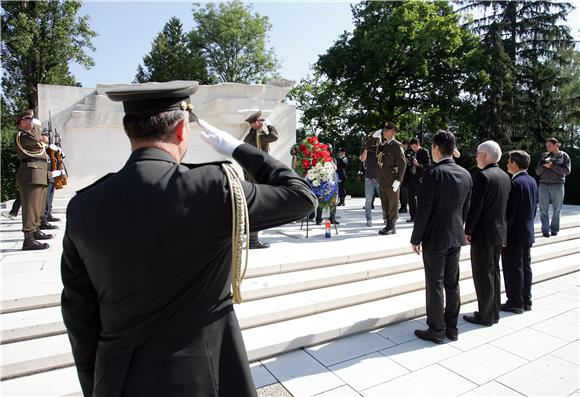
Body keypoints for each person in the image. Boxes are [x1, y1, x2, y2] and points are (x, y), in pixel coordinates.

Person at [60, 81, 316, 396]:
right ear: (182, 130)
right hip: (206, 374)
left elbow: (79, 316)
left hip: (120, 379)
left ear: (131, 132)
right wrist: (237, 148)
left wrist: (99, 386)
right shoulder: (213, 188)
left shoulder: (83, 207)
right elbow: (301, 197)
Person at [411, 130, 472, 344]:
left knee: (435, 282)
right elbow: (466, 208)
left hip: (436, 237)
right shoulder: (465, 173)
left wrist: (416, 238)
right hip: (456, 235)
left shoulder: (434, 173)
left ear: (436, 149)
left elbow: (424, 210)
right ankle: (452, 327)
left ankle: (436, 329)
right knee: (452, 283)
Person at [464, 140, 511, 326]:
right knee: (494, 272)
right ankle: (494, 311)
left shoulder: (482, 176)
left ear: (484, 155)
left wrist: (468, 230)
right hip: (499, 232)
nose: (476, 157)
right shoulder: (505, 176)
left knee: (482, 274)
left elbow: (476, 207)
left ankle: (485, 315)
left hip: (483, 233)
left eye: (477, 153)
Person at [501, 150, 539, 313]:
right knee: (525, 267)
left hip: (514, 234)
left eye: (509, 161)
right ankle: (526, 300)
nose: (507, 164)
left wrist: (503, 234)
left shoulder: (515, 184)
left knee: (513, 267)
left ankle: (515, 302)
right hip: (527, 231)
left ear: (515, 164)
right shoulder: (532, 181)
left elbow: (510, 213)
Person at [14, 110, 52, 250]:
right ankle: (28, 239)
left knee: (38, 207)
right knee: (31, 207)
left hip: (39, 172)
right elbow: (36, 139)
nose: (32, 121)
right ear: (22, 122)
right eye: (29, 119)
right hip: (31, 173)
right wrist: (38, 126)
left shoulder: (30, 135)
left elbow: (42, 141)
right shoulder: (22, 135)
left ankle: (35, 230)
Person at [243, 110, 279, 249]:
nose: (262, 122)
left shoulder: (251, 136)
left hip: (253, 176)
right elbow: (274, 136)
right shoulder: (256, 136)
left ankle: (252, 238)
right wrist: (270, 125)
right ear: (255, 123)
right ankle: (253, 240)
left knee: (255, 207)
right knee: (258, 208)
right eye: (260, 120)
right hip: (257, 177)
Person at [535, 138, 571, 238]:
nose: (547, 148)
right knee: (543, 209)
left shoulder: (564, 156)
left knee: (557, 209)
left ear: (556, 145)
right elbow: (537, 172)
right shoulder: (544, 155)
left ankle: (554, 229)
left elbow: (567, 171)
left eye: (549, 146)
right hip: (543, 185)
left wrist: (552, 166)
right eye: (546, 146)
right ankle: (545, 230)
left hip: (558, 185)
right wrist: (544, 165)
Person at [376, 121, 406, 235]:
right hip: (383, 179)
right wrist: (375, 138)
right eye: (384, 130)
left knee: (393, 203)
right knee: (385, 203)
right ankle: (387, 224)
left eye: (386, 130)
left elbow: (403, 164)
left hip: (392, 179)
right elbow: (377, 155)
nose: (384, 132)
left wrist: (398, 180)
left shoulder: (397, 146)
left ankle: (392, 226)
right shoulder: (384, 145)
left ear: (393, 132)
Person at [406, 137, 431, 223]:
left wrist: (418, 164)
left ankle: (421, 216)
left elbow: (428, 165)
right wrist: (408, 162)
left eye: (414, 147)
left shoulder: (424, 152)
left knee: (421, 198)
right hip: (411, 178)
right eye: (412, 147)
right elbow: (409, 165)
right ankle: (413, 216)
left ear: (418, 145)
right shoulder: (411, 152)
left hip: (420, 178)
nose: (413, 149)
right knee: (410, 198)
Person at [360, 132, 380, 226]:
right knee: (368, 200)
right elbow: (362, 159)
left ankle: (385, 218)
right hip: (369, 177)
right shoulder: (367, 149)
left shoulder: (381, 148)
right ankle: (368, 219)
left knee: (384, 199)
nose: (376, 141)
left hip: (380, 178)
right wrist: (366, 148)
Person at [399, 139, 411, 214]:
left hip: (408, 175)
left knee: (404, 192)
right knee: (402, 192)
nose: (403, 146)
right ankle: (403, 207)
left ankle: (404, 207)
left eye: (404, 145)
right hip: (403, 174)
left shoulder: (409, 152)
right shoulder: (403, 152)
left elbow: (407, 163)